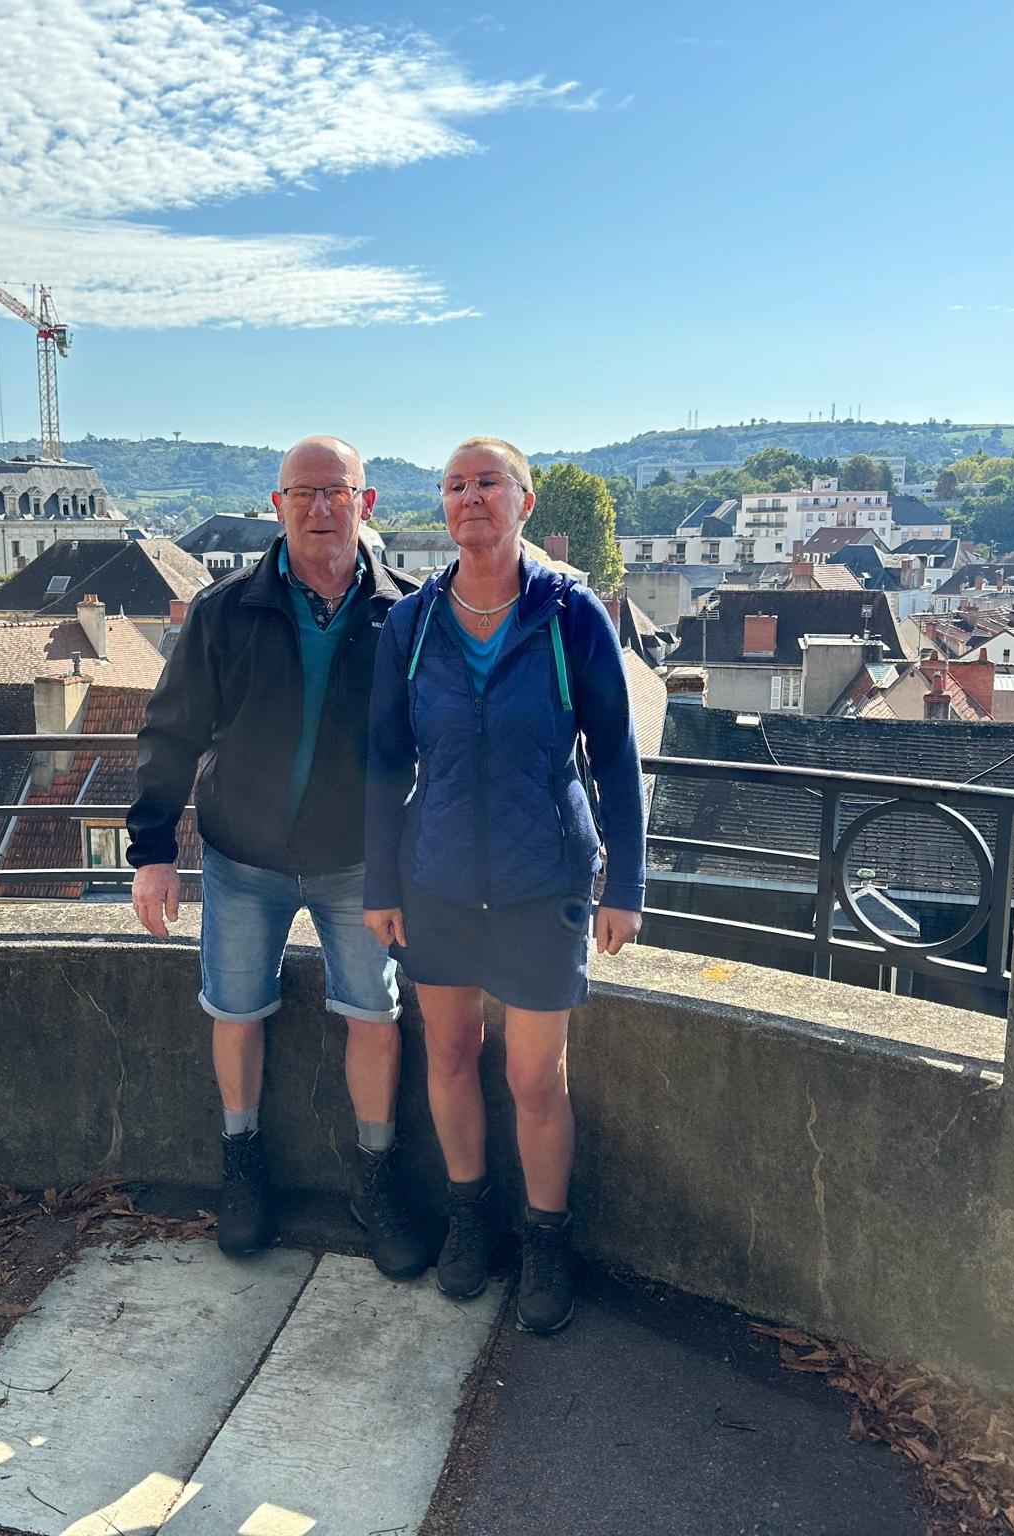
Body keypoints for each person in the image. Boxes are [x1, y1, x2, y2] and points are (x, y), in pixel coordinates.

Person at [363, 435, 646, 1333]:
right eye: (455, 485)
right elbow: (384, 761)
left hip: (541, 881)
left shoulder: (570, 616)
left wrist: (626, 884)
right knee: (448, 1056)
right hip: (436, 880)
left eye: (489, 482)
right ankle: (469, 1215)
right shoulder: (412, 625)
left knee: (535, 1077)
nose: (470, 497)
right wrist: (380, 883)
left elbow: (617, 754)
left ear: (524, 502)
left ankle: (547, 1239)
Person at [127, 435, 427, 1278]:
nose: (320, 508)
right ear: (278, 505)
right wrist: (152, 852)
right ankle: (243, 1165)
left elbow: (439, 741)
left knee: (374, 1016)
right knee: (235, 1010)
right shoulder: (225, 610)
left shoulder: (407, 613)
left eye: (337, 492)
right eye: (303, 493)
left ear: (366, 503)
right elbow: (171, 732)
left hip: (359, 861)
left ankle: (376, 1180)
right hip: (243, 855)